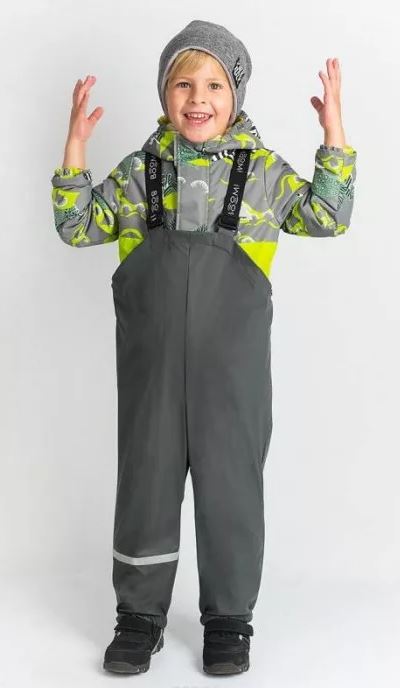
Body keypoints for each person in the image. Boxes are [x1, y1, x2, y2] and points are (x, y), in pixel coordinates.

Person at [50, 19, 357, 677]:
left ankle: (229, 619)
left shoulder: (263, 174)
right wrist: (75, 151)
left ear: (236, 95)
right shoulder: (140, 174)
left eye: (215, 85)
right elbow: (76, 227)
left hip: (232, 378)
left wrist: (333, 136)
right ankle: (139, 617)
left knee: (231, 491)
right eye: (183, 84)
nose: (198, 98)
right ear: (164, 94)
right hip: (151, 375)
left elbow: (328, 218)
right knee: (145, 487)